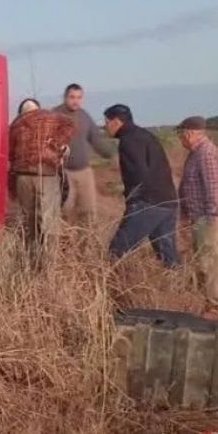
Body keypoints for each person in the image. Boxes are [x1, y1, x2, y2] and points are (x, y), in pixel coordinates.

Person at [103, 104, 179, 268]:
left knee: (116, 251)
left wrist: (134, 203)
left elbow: (138, 174)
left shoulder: (128, 140)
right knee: (169, 258)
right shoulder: (145, 135)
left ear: (116, 121)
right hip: (168, 201)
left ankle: (111, 290)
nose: (105, 126)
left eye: (106, 121)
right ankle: (181, 290)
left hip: (148, 203)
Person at [9, 98, 75, 269]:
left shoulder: (15, 126)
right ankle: (48, 270)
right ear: (37, 109)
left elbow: (9, 155)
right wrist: (57, 145)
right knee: (49, 225)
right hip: (46, 176)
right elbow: (70, 124)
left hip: (23, 177)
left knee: (29, 225)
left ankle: (31, 265)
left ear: (21, 112)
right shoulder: (50, 117)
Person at [54, 83, 114, 224]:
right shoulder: (54, 115)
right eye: (72, 97)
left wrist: (113, 154)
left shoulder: (84, 116)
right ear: (65, 97)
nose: (76, 101)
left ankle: (87, 244)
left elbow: (96, 140)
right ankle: (65, 244)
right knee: (64, 212)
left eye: (79, 97)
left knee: (88, 213)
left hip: (84, 173)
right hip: (63, 173)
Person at [177, 116, 218, 306]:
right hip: (198, 217)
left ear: (190, 133)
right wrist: (185, 216)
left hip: (207, 218)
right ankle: (207, 303)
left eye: (180, 134)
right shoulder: (195, 153)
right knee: (202, 261)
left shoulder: (206, 153)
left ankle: (214, 305)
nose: (180, 139)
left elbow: (213, 186)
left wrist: (213, 217)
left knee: (208, 263)